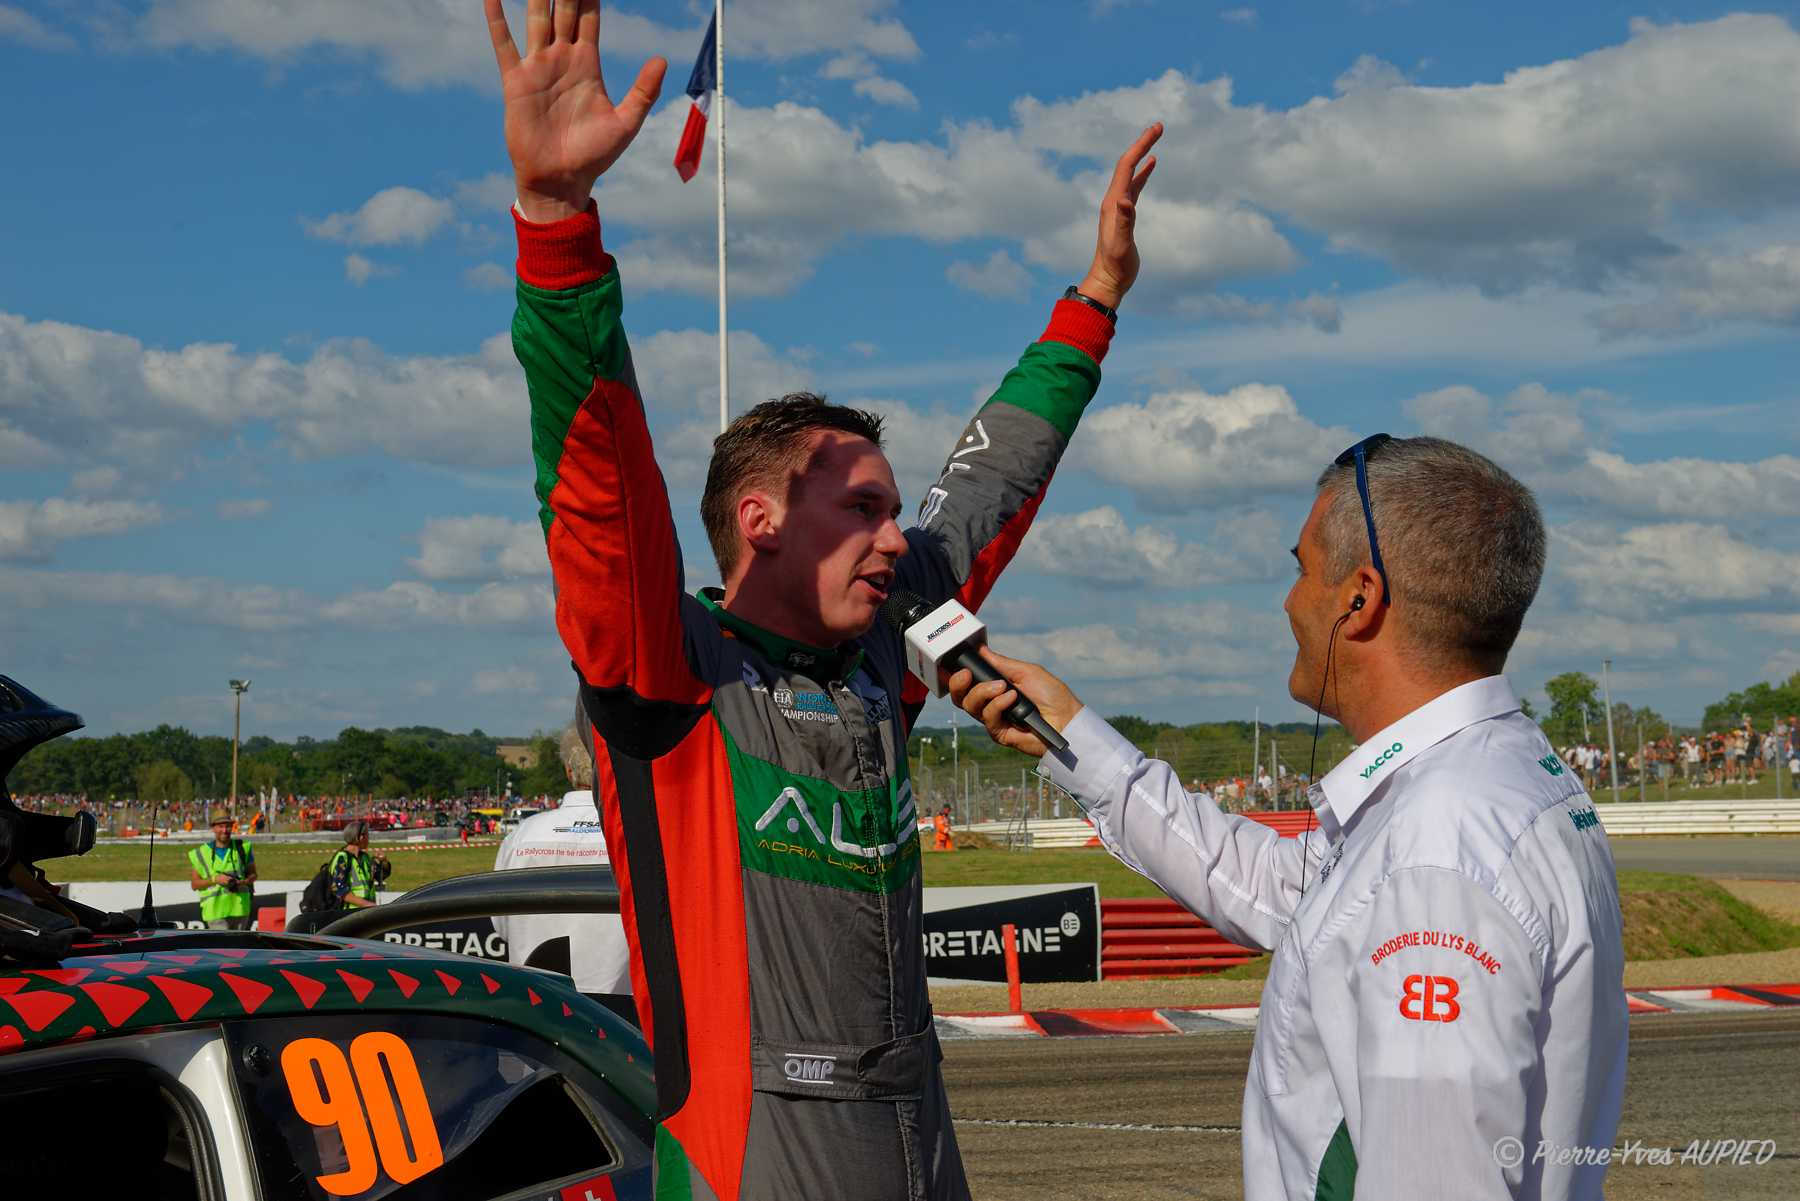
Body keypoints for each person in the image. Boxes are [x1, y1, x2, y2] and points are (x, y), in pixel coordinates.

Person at [483, 2, 1156, 1195]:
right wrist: (556, 229)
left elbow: (991, 479)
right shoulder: (668, 670)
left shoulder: (883, 652)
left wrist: (1093, 301)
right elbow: (598, 484)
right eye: (864, 510)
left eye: (894, 513)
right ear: (762, 521)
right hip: (758, 1156)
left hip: (921, 1140)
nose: (900, 539)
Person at [949, 435, 1626, 1201]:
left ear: (1359, 598)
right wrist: (1071, 737)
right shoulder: (1494, 772)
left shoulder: (1437, 847)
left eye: (1301, 568)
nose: (1288, 599)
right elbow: (1288, 896)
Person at [493, 716, 632, 1019]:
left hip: (535, 1008)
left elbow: (500, 924)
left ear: (568, 771)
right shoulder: (632, 833)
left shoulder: (523, 834)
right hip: (619, 1016)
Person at [187, 811, 255, 930]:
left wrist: (243, 882)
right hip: (215, 911)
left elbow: (253, 874)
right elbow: (195, 884)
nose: (225, 830)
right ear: (213, 828)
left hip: (240, 909)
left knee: (238, 948)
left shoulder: (243, 848)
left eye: (228, 826)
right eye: (221, 826)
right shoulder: (201, 853)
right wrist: (215, 879)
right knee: (223, 948)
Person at [328, 821, 390, 910]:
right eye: (367, 835)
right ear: (360, 837)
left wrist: (384, 861)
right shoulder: (342, 858)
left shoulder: (365, 857)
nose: (369, 839)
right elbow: (338, 889)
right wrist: (367, 904)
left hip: (366, 911)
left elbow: (380, 876)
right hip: (349, 914)